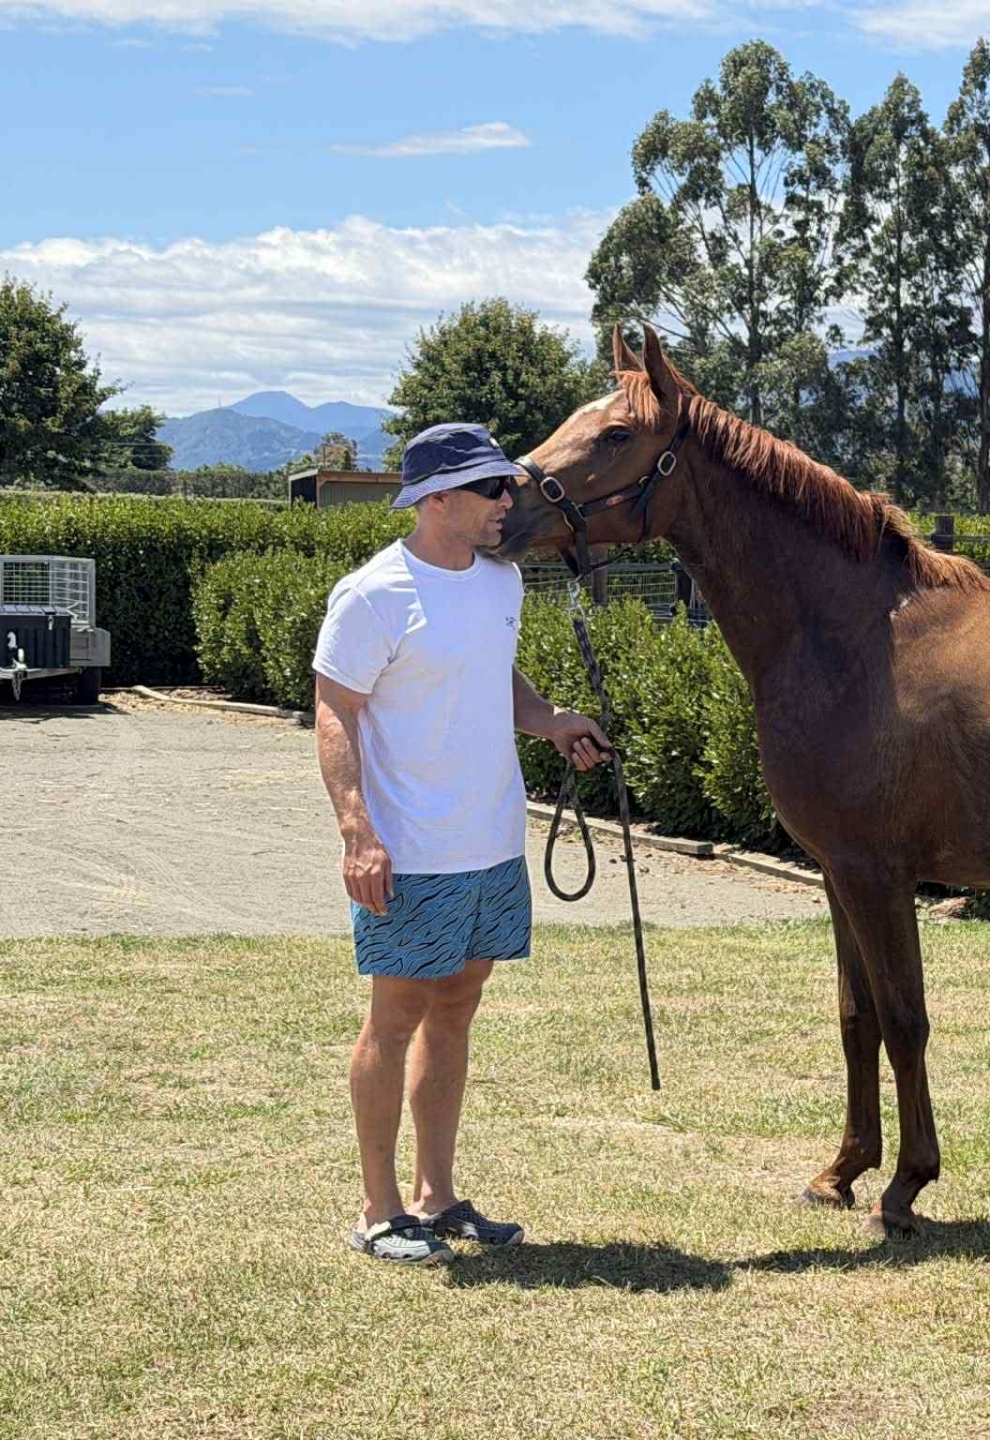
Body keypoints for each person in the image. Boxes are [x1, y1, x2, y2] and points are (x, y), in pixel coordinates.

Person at [312, 422, 610, 1265]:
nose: (507, 500)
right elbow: (334, 708)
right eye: (491, 488)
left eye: (506, 484)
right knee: (395, 1016)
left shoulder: (499, 581)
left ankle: (434, 1197)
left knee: (458, 1005)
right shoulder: (373, 594)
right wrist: (356, 829)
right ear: (436, 498)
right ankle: (378, 1212)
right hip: (410, 851)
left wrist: (551, 719)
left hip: (492, 841)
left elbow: (490, 672)